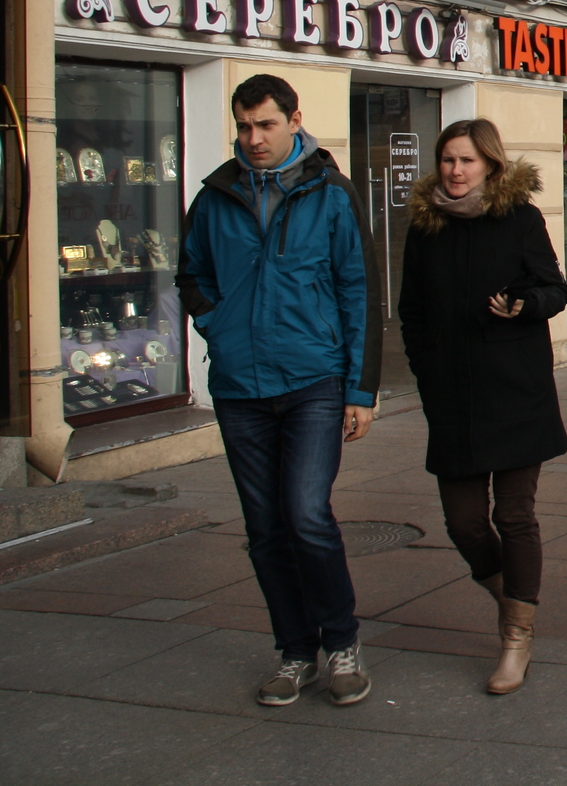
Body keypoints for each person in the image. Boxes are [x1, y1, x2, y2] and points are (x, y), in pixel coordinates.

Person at [177, 74, 379, 708]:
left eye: (265, 124)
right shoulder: (216, 195)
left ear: (295, 119)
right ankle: (295, 651)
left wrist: (359, 389)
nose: (253, 138)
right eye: (243, 126)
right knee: (264, 527)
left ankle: (342, 643)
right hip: (240, 386)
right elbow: (192, 274)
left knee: (307, 515)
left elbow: (359, 291)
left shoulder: (331, 193)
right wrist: (218, 323)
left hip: (313, 379)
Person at [400, 119, 567, 696]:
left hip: (516, 391)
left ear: (490, 167)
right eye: (447, 160)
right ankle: (511, 597)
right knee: (464, 522)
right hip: (452, 396)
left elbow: (555, 289)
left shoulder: (519, 218)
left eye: (466, 161)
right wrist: (426, 373)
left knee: (514, 517)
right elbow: (412, 311)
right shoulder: (425, 227)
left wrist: (523, 303)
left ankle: (516, 637)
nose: (454, 171)